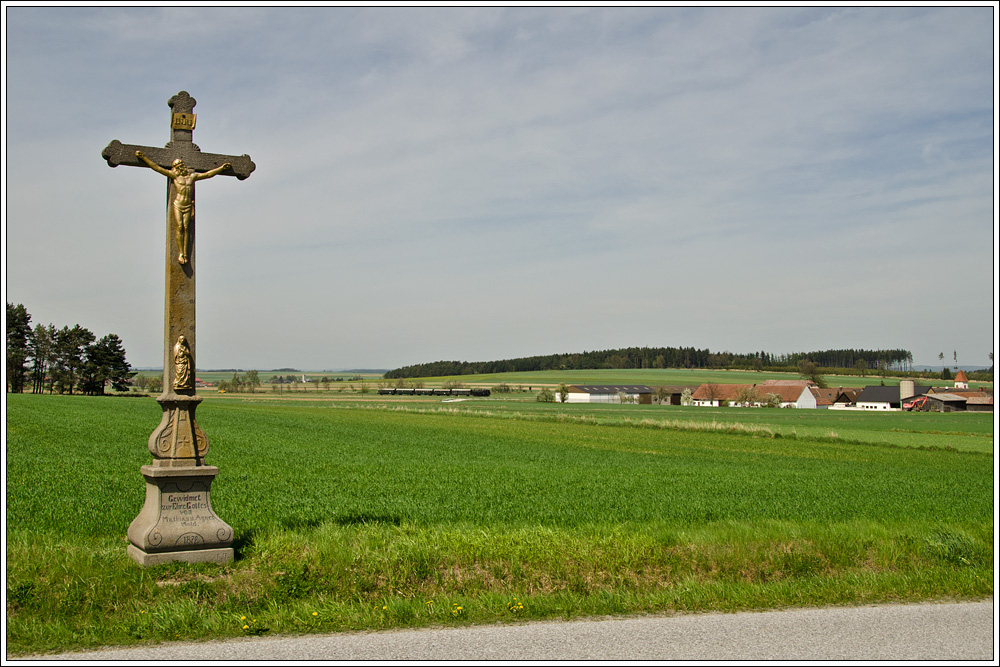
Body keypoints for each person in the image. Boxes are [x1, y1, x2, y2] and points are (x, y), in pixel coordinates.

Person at [136, 151, 231, 264]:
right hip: (179, 204)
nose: (179, 167)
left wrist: (221, 168)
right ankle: (181, 253)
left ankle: (185, 253)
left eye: (180, 165)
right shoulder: (175, 176)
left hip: (188, 206)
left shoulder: (192, 177)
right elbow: (157, 168)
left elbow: (208, 174)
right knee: (180, 227)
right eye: (177, 166)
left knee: (186, 228)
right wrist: (144, 158)